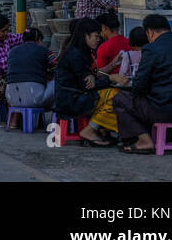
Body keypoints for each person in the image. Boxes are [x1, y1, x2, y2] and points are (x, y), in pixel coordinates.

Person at [115, 14, 172, 153]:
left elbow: (139, 85)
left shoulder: (151, 49)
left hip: (165, 109)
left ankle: (144, 140)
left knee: (120, 98)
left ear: (150, 32)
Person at [54, 16, 127, 146]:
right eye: (96, 36)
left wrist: (107, 69)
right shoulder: (75, 55)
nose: (98, 40)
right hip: (72, 100)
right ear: (85, 36)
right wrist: (110, 78)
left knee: (114, 94)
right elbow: (87, 85)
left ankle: (100, 129)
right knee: (115, 95)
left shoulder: (80, 52)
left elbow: (91, 77)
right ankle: (90, 130)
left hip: (75, 96)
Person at [6, 28, 58, 109]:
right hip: (34, 98)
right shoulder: (44, 51)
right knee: (59, 81)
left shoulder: (12, 51)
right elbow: (57, 67)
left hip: (11, 99)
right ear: (39, 40)